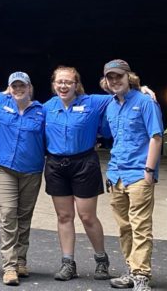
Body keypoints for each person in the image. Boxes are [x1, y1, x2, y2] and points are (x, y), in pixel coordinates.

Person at [43, 66, 112, 281]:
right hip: (56, 165)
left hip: (84, 163)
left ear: (76, 85)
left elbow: (120, 95)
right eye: (59, 82)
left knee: (87, 216)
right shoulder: (46, 107)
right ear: (54, 85)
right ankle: (67, 263)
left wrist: (142, 89)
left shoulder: (92, 102)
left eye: (68, 82)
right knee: (64, 216)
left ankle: (101, 260)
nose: (63, 86)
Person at [99, 59, 163, 291]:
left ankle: (141, 275)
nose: (115, 81)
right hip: (116, 174)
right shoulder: (111, 105)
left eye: (119, 76)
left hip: (138, 174)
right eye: (110, 77)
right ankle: (130, 268)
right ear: (106, 81)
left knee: (141, 226)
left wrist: (149, 171)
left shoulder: (146, 102)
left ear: (129, 77)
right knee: (124, 227)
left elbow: (156, 137)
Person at [0, 72, 46, 286]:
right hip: (3, 166)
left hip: (31, 169)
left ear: (29, 88)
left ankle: (21, 260)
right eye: (14, 86)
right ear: (9, 88)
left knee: (24, 216)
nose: (18, 89)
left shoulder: (41, 111)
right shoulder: (0, 101)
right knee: (9, 213)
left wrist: (143, 90)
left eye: (22, 86)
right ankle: (9, 266)